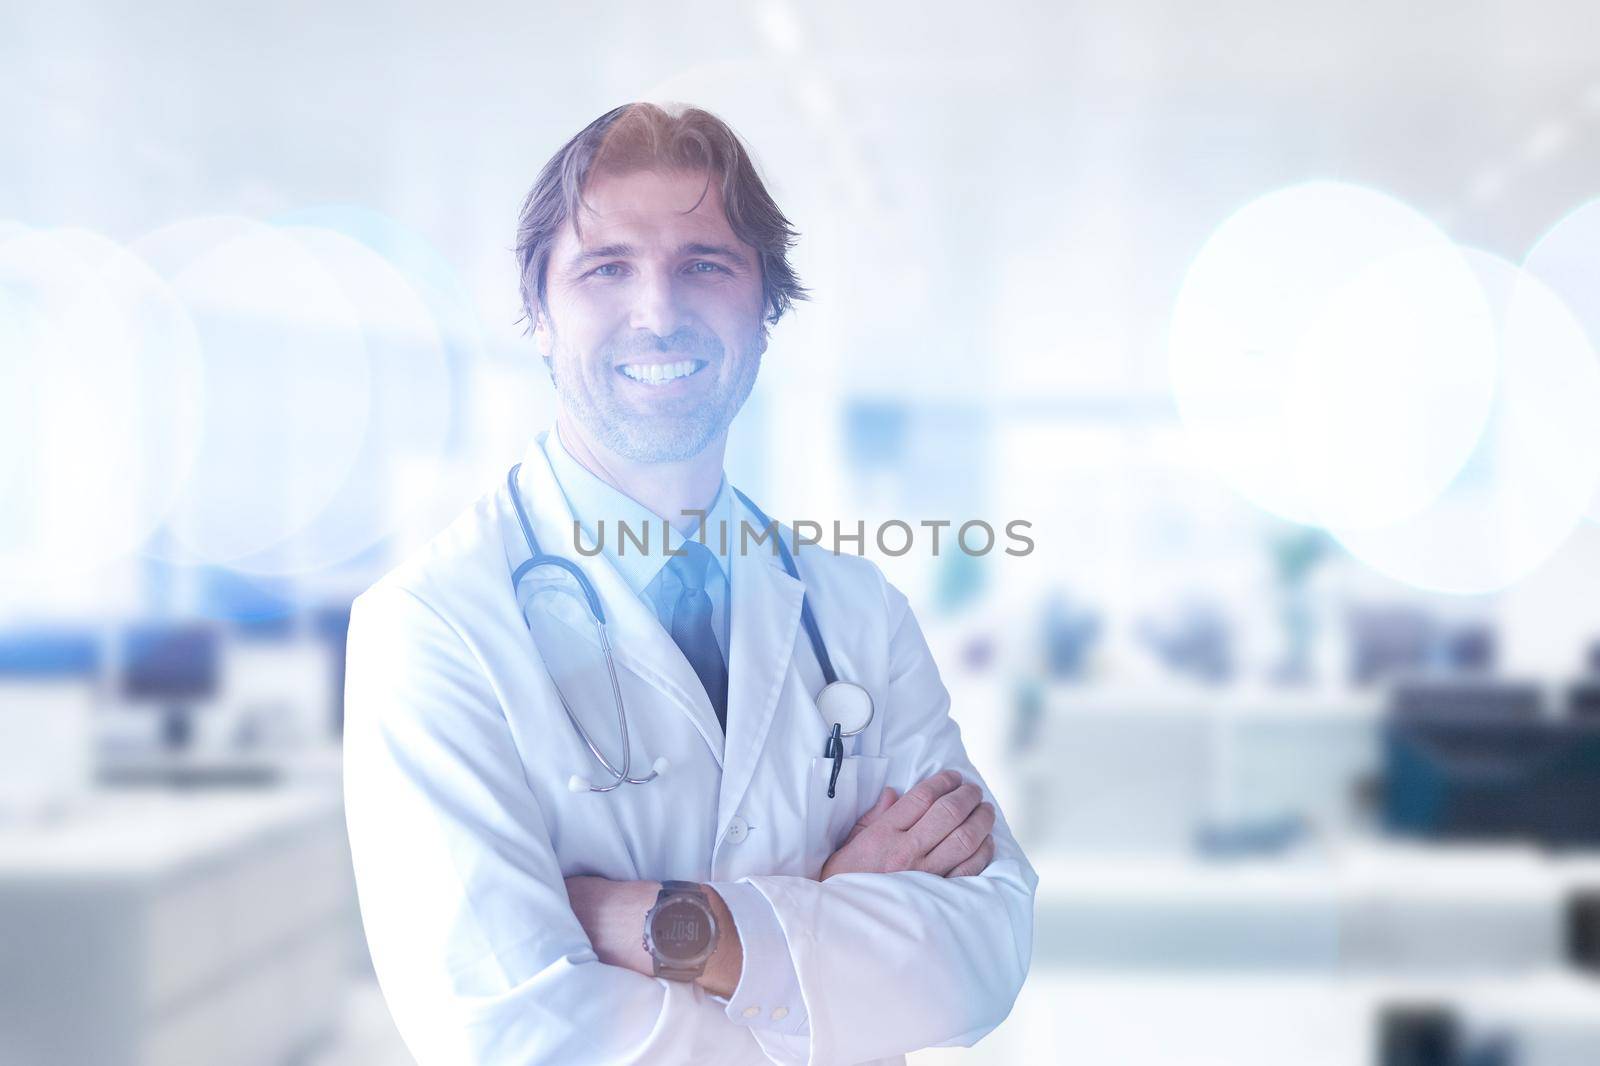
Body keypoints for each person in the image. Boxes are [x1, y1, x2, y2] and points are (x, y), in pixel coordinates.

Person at [342, 101, 1037, 1066]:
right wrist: (824, 920)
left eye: (704, 265)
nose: (658, 310)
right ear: (539, 316)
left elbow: (986, 949)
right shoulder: (432, 626)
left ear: (766, 310)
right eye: (606, 268)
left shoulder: (856, 612)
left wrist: (677, 928)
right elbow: (510, 1038)